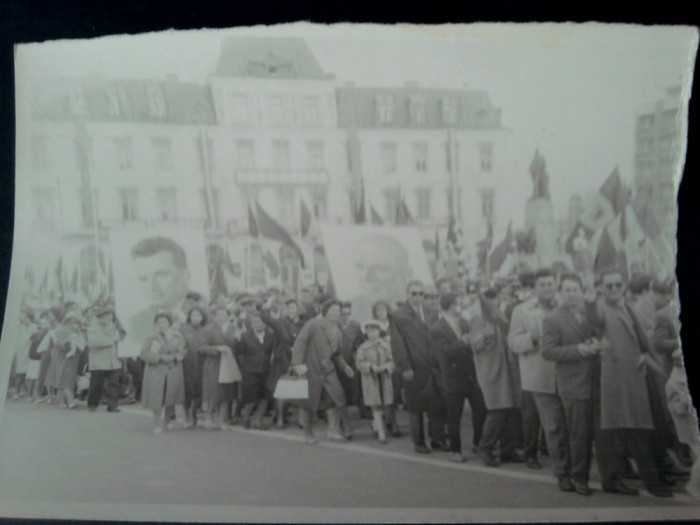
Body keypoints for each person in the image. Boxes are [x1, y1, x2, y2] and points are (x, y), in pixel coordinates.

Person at [585, 268, 674, 498]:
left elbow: (640, 340)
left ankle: (647, 478)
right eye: (609, 285)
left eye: (617, 284)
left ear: (623, 285)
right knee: (631, 432)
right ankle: (650, 483)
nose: (614, 289)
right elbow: (594, 319)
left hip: (636, 376)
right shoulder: (602, 308)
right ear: (602, 288)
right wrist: (590, 302)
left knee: (638, 430)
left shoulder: (627, 306)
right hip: (616, 381)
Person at [541, 273, 608, 496]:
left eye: (575, 289)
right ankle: (578, 478)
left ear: (581, 291)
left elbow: (598, 324)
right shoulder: (553, 318)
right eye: (567, 290)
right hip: (573, 385)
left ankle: (578, 475)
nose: (571, 294)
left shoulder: (586, 312)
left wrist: (594, 343)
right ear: (560, 293)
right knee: (578, 435)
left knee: (592, 433)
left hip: (595, 381)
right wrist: (579, 350)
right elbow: (548, 351)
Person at [508, 269, 561, 471]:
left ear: (556, 285)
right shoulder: (522, 310)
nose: (547, 288)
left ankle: (561, 457)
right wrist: (531, 337)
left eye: (550, 284)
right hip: (536, 375)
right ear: (535, 288)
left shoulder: (564, 305)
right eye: (543, 285)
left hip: (563, 373)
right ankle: (535, 455)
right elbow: (512, 342)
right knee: (539, 421)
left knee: (560, 424)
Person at [390, 280, 448, 454]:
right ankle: (419, 442)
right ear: (407, 294)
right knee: (416, 407)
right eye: (413, 293)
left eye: (420, 294)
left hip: (433, 367)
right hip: (414, 368)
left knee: (437, 403)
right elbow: (397, 344)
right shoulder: (399, 315)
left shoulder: (430, 311)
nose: (417, 297)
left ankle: (437, 438)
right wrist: (405, 366)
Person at [429, 293, 487, 463]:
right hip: (453, 377)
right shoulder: (437, 328)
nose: (459, 307)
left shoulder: (463, 322)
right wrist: (462, 342)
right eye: (457, 304)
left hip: (470, 374)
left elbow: (469, 345)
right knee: (454, 415)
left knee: (480, 409)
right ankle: (455, 450)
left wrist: (477, 342)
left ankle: (478, 442)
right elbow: (443, 354)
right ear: (450, 306)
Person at [469, 289, 522, 467]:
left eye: (496, 299)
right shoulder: (478, 319)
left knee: (511, 410)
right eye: (490, 300)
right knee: (497, 411)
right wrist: (483, 338)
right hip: (490, 371)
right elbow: (473, 344)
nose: (494, 303)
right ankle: (486, 447)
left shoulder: (502, 318)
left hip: (507, 369)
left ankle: (508, 449)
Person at [291, 299, 354, 444]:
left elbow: (337, 354)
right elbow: (300, 342)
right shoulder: (313, 324)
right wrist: (297, 364)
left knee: (336, 397)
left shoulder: (338, 331)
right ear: (325, 311)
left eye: (338, 311)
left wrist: (345, 366)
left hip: (328, 371)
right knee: (309, 403)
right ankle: (308, 434)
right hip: (311, 369)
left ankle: (332, 431)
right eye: (332, 310)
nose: (335, 313)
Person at [125, 237, 192, 356]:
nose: (152, 287)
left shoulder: (203, 311)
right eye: (143, 279)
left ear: (186, 276)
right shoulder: (136, 324)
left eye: (161, 275)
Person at [140, 313, 188, 435]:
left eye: (164, 322)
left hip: (173, 369)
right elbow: (144, 354)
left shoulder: (178, 336)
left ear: (169, 323)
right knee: (157, 398)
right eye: (159, 322)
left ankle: (167, 421)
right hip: (157, 370)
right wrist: (160, 358)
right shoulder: (151, 338)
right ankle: (156, 424)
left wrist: (177, 356)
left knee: (170, 396)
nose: (161, 325)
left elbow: (183, 351)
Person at [262, 298, 305, 428]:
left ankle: (301, 419)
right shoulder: (280, 322)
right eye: (288, 308)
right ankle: (280, 417)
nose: (290, 311)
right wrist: (268, 303)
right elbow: (265, 317)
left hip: (298, 358)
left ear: (298, 309)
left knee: (300, 387)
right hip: (282, 359)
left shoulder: (304, 324)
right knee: (281, 388)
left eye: (293, 308)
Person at [351, 233, 412, 322]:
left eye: (380, 268)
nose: (366, 277)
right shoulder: (350, 309)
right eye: (360, 266)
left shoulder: (415, 309)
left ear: (406, 275)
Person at [199, 306, 241, 430]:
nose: (221, 317)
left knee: (226, 392)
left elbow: (239, 349)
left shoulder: (234, 329)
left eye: (224, 314)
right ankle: (209, 417)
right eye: (219, 314)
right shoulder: (209, 329)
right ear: (215, 316)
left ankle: (222, 419)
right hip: (214, 363)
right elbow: (202, 347)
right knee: (213, 392)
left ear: (228, 316)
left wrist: (239, 341)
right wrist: (216, 349)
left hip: (229, 363)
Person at [235, 312, 277, 430]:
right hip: (250, 371)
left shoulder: (271, 336)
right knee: (251, 398)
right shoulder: (244, 336)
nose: (257, 324)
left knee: (265, 397)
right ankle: (246, 418)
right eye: (254, 322)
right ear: (251, 324)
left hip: (266, 371)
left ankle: (258, 421)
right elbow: (239, 352)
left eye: (260, 322)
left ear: (265, 324)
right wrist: (237, 341)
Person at [355, 320, 395, 444]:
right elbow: (359, 363)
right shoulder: (363, 347)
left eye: (374, 331)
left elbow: (392, 360)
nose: (371, 334)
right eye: (369, 331)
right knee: (375, 404)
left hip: (384, 378)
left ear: (379, 331)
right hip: (371, 379)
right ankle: (381, 434)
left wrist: (386, 367)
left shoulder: (386, 345)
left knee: (383, 403)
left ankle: (375, 425)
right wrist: (371, 366)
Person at [85, 307, 124, 413]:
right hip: (99, 361)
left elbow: (122, 339)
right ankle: (92, 404)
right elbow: (95, 343)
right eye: (104, 317)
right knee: (96, 384)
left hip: (113, 360)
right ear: (99, 318)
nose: (107, 319)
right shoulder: (92, 329)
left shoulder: (115, 328)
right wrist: (112, 340)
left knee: (114, 384)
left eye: (110, 316)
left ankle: (112, 405)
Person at [372, 300, 401, 436]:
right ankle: (390, 423)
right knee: (385, 393)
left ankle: (388, 420)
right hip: (381, 362)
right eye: (377, 310)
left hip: (395, 360)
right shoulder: (373, 326)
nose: (380, 312)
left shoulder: (394, 324)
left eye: (382, 309)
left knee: (394, 392)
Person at [180, 306, 208, 427]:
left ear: (202, 317)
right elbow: (179, 344)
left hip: (202, 363)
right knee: (187, 389)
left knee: (199, 389)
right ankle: (186, 414)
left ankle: (194, 411)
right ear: (189, 317)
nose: (196, 318)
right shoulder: (183, 329)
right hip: (187, 363)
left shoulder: (206, 330)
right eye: (193, 315)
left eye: (198, 315)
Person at [52, 311, 86, 409]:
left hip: (76, 357)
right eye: (71, 320)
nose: (74, 323)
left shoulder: (77, 331)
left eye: (75, 321)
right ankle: (70, 401)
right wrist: (68, 341)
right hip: (67, 356)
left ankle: (62, 400)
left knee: (68, 378)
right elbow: (58, 344)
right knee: (67, 378)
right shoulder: (63, 330)